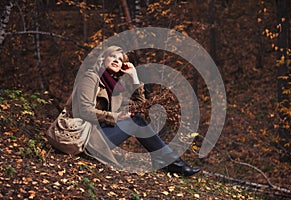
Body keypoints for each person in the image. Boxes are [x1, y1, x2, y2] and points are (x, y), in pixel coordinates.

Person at [71, 45, 200, 177]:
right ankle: (170, 162)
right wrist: (115, 116)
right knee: (136, 120)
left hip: (98, 135)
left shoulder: (115, 87)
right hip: (82, 137)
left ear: (123, 65)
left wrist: (134, 77)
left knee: (136, 118)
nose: (116, 60)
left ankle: (166, 160)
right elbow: (84, 111)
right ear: (103, 58)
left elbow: (139, 107)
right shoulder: (90, 78)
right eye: (112, 56)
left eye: (120, 59)